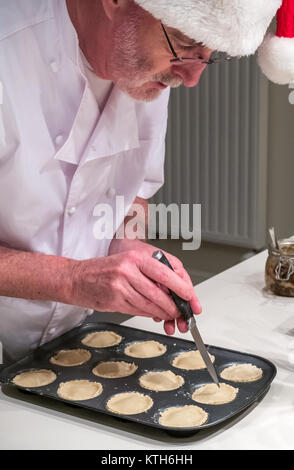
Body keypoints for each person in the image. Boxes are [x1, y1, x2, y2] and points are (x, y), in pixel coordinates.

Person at [0, 0, 290, 363]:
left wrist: (125, 243)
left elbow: (134, 190)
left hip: (61, 342)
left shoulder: (150, 72)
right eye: (185, 42)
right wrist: (72, 279)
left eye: (210, 57)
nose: (192, 78)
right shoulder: (7, 51)